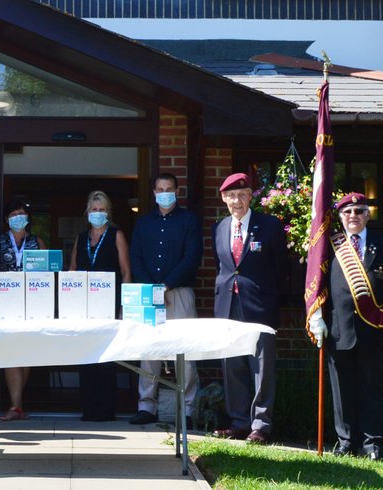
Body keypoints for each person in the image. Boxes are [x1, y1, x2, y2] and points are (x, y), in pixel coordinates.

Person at [307, 193, 383, 460]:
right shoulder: (327, 246)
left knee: (372, 389)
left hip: (373, 328)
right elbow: (316, 287)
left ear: (368, 215)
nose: (353, 216)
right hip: (338, 329)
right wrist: (316, 317)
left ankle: (372, 443)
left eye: (360, 211)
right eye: (348, 212)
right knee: (341, 391)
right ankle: (345, 441)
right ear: (340, 216)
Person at [211, 172, 289, 444]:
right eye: (231, 196)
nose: (237, 201)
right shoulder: (219, 228)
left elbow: (281, 268)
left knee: (262, 367)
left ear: (250, 197)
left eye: (242, 195)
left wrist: (266, 294)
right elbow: (223, 267)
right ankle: (239, 421)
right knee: (232, 365)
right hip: (227, 306)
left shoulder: (269, 226)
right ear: (224, 199)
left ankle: (261, 425)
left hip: (259, 307)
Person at [128, 173, 202, 426]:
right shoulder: (143, 223)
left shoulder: (189, 220)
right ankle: (146, 406)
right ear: (153, 193)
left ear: (177, 191)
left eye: (169, 188)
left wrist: (167, 285)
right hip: (149, 294)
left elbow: (192, 257)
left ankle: (188, 409)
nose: (164, 193)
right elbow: (135, 257)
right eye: (159, 189)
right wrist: (153, 288)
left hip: (179, 292)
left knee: (186, 351)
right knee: (149, 350)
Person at [69, 190, 132, 422]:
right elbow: (72, 271)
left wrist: (124, 304)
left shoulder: (116, 235)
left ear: (108, 212)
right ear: (87, 212)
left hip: (109, 305)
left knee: (105, 358)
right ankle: (89, 408)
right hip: (84, 307)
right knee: (86, 358)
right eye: (94, 210)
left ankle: (106, 410)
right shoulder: (81, 238)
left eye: (102, 210)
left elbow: (126, 272)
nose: (98, 214)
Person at [0, 198, 40, 422]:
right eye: (13, 215)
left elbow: (46, 273)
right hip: (6, 303)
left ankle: (17, 405)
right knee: (11, 351)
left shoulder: (36, 241)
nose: (18, 218)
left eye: (21, 214)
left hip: (32, 303)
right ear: (7, 219)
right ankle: (16, 405)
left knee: (27, 353)